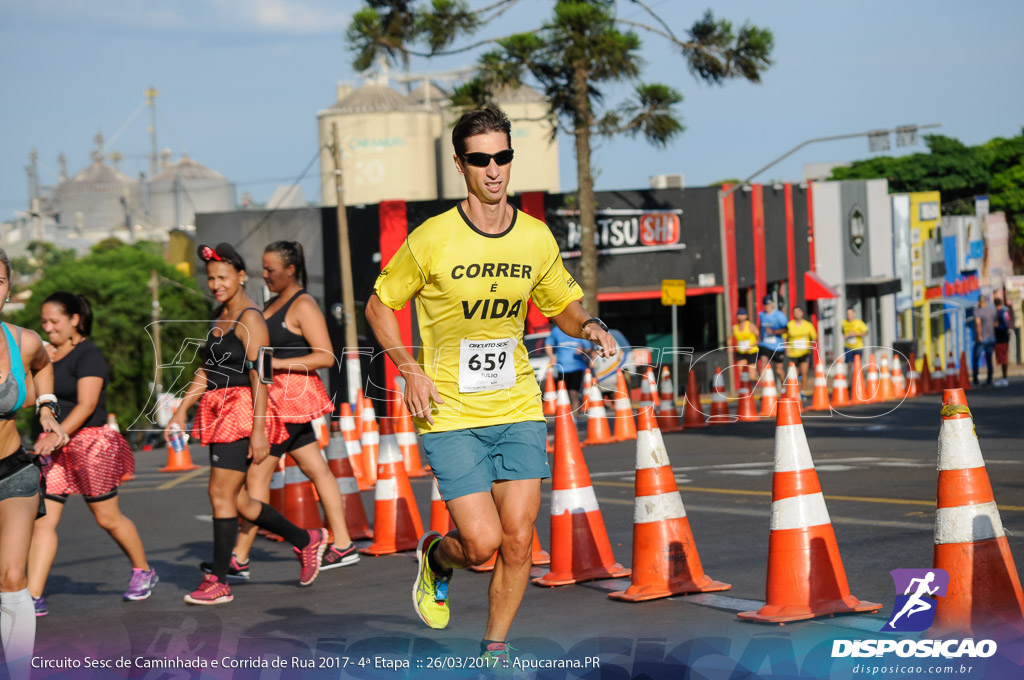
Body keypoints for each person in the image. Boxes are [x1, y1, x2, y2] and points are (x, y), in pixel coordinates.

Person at [366, 107, 617, 668]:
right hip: (450, 411)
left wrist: (592, 326)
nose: (494, 169)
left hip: (517, 403)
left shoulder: (533, 237)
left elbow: (562, 306)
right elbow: (379, 305)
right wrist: (409, 368)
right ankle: (436, 557)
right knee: (480, 546)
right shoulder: (432, 239)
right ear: (461, 165)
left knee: (520, 538)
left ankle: (494, 649)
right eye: (480, 159)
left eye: (502, 156)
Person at [165, 243, 327, 605]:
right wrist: (180, 410)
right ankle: (306, 540)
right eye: (210, 279)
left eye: (223, 277)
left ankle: (219, 581)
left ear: (241, 277)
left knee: (220, 494)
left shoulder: (251, 318)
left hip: (241, 411)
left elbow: (263, 376)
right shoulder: (219, 316)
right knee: (237, 498)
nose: (216, 284)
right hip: (217, 410)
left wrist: (259, 430)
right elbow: (207, 370)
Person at [216, 241, 358, 581]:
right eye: (263, 269)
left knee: (257, 475)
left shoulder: (303, 303)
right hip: (274, 397)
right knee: (316, 468)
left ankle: (240, 555)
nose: (264, 275)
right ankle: (343, 543)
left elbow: (325, 355)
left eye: (270, 269)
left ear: (290, 269)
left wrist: (278, 363)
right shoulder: (268, 304)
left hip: (291, 398)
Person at [28, 293, 157, 616]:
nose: (47, 327)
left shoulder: (89, 354)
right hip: (55, 446)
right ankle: (33, 595)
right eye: (44, 322)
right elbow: (33, 398)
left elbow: (87, 405)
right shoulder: (48, 356)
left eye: (53, 321)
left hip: (89, 444)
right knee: (44, 521)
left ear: (74, 319)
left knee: (107, 517)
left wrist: (57, 436)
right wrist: (38, 361)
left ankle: (143, 570)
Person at [0, 249, 69, 680]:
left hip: (13, 468)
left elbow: (43, 367)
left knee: (12, 576)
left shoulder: (22, 341)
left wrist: (46, 409)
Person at [544, 324, 591, 414]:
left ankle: (574, 417)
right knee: (563, 393)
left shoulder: (578, 329)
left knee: (573, 393)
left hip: (577, 367)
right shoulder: (556, 331)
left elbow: (588, 348)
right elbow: (548, 344)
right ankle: (567, 416)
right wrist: (551, 356)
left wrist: (582, 351)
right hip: (561, 368)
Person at [784, 306, 818, 394]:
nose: (797, 314)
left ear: (802, 313)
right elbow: (784, 337)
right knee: (793, 374)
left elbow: (814, 336)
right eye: (795, 312)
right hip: (793, 353)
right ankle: (795, 391)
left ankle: (802, 392)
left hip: (804, 352)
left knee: (804, 373)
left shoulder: (808, 325)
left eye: (798, 312)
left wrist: (810, 345)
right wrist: (786, 348)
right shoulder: (789, 325)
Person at [757, 295, 788, 384]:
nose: (767, 306)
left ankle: (784, 388)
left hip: (778, 346)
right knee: (763, 364)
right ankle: (765, 390)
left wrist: (773, 332)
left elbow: (786, 329)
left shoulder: (779, 315)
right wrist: (759, 337)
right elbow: (760, 326)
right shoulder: (761, 315)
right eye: (766, 305)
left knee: (779, 370)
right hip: (765, 345)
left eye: (769, 304)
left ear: (773, 304)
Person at [972, 295, 996, 386]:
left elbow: (978, 324)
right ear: (986, 301)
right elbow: (996, 323)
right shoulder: (992, 310)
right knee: (989, 358)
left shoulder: (977, 311)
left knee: (975, 358)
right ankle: (989, 379)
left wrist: (979, 335)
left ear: (979, 302)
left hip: (981, 338)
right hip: (991, 337)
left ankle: (975, 379)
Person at [730, 307, 759, 377]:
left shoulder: (751, 326)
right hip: (741, 352)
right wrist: (730, 346)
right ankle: (746, 386)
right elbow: (729, 338)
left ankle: (755, 378)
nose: (740, 316)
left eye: (742, 314)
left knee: (752, 375)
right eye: (739, 314)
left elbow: (759, 339)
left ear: (746, 316)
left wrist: (750, 347)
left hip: (752, 351)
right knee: (742, 373)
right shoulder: (735, 327)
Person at [993, 297, 1013, 387]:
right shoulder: (1004, 312)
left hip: (1001, 339)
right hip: (1003, 338)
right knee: (1003, 358)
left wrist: (997, 327)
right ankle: (1004, 378)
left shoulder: (998, 313)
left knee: (1003, 359)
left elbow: (1004, 326)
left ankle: (1004, 378)